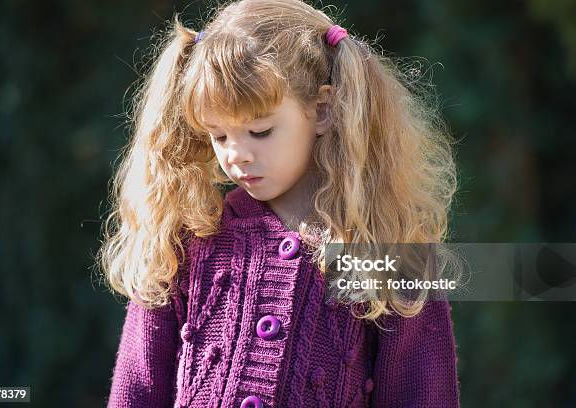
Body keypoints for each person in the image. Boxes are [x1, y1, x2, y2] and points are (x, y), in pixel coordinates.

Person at [98, 0, 461, 406]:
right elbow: (136, 389)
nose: (236, 154)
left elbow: (423, 394)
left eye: (261, 130)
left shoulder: (385, 247)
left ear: (321, 110)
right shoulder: (186, 242)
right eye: (219, 136)